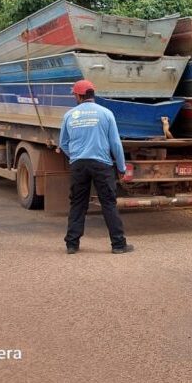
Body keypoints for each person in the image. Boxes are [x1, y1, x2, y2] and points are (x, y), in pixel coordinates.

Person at [59, 80, 133, 255]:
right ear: (92, 94)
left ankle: (72, 244)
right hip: (102, 164)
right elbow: (115, 143)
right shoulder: (106, 114)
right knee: (108, 203)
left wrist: (76, 156)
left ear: (78, 95)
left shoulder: (69, 115)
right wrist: (121, 167)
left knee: (78, 203)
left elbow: (63, 143)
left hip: (78, 165)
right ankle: (118, 245)